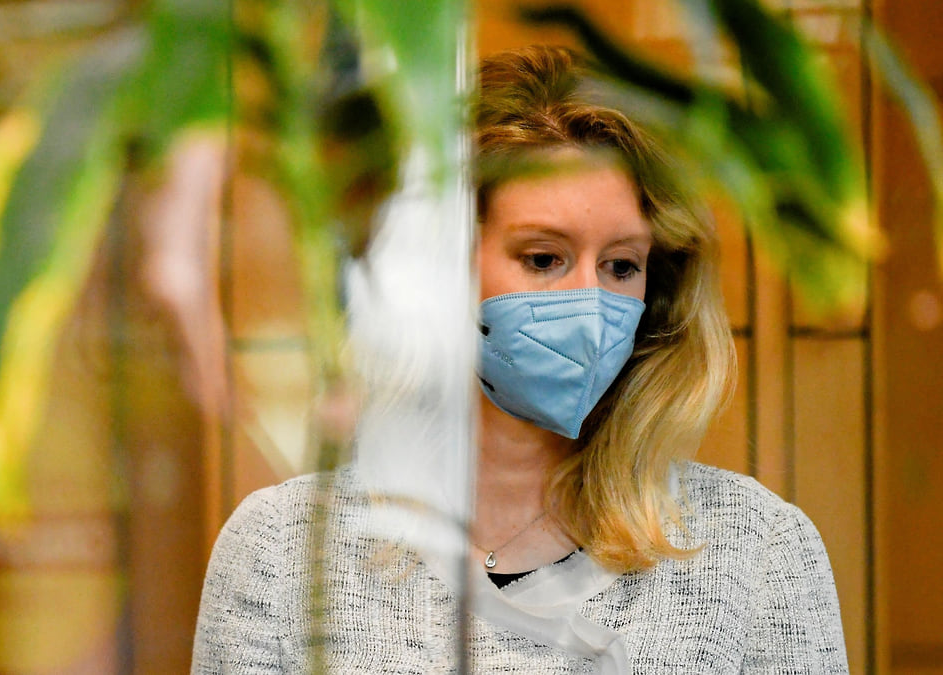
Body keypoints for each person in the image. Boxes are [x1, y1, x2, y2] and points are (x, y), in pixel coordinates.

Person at [192, 45, 847, 673]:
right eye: (543, 258)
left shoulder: (756, 550)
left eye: (621, 266)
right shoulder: (280, 551)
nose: (589, 305)